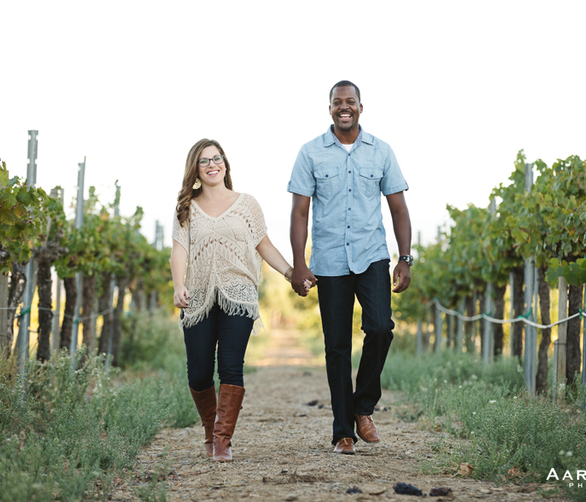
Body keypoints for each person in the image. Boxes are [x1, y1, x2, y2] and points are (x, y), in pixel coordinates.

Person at [287, 81, 412, 455]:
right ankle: (343, 431)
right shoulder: (310, 153)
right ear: (329, 109)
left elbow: (399, 209)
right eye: (337, 103)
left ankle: (362, 406)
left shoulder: (381, 152)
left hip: (372, 255)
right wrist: (298, 263)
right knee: (336, 346)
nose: (345, 108)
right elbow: (299, 213)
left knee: (380, 328)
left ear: (361, 107)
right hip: (329, 261)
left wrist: (404, 259)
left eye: (350, 102)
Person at [171, 138, 309, 462]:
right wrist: (179, 285)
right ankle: (209, 427)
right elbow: (180, 250)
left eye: (217, 158)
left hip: (239, 295)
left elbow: (265, 245)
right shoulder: (187, 207)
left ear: (225, 164)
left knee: (231, 366)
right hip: (199, 296)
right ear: (195, 168)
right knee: (199, 373)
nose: (212, 165)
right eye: (204, 161)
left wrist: (291, 273)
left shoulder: (247, 204)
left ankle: (221, 440)